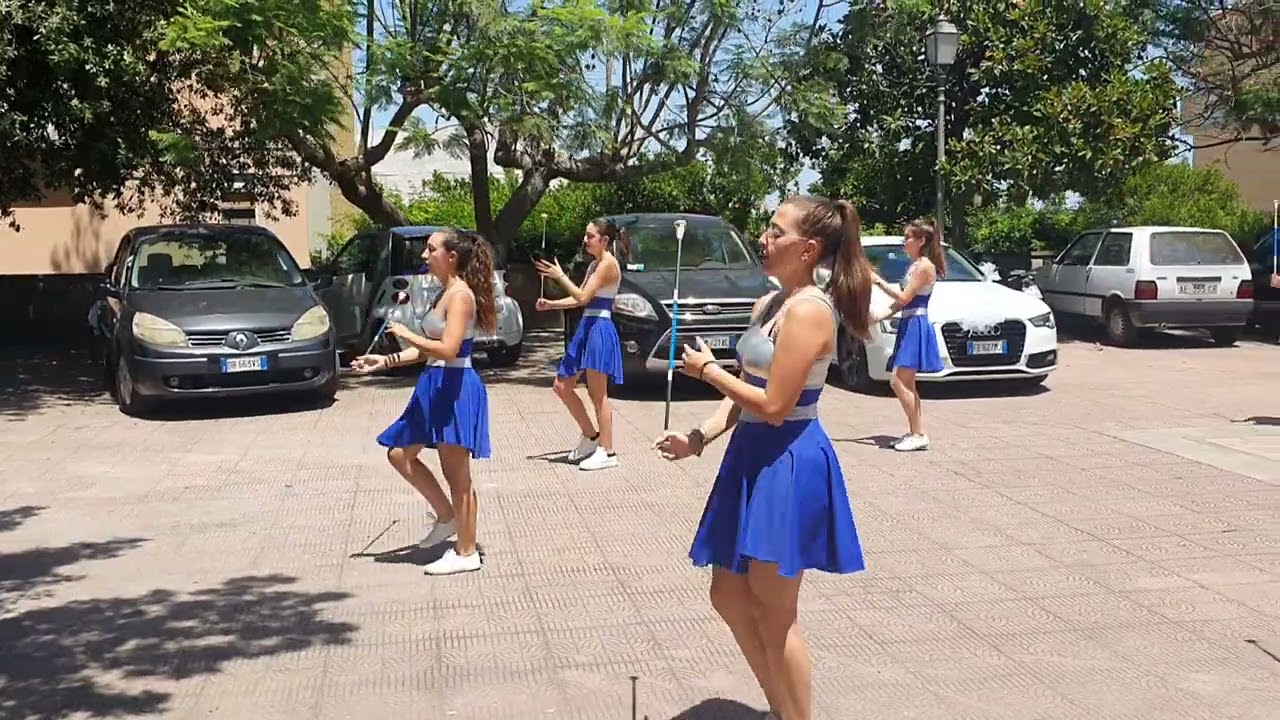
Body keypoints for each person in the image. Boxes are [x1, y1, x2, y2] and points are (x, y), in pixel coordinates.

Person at [652, 196, 870, 720]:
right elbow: (747, 389)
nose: (764, 240)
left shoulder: (812, 312)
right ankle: (781, 705)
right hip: (750, 456)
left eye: (777, 233)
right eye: (767, 230)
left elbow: (775, 405)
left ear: (808, 249)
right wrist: (700, 436)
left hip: (787, 460)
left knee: (777, 615)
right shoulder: (770, 304)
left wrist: (707, 370)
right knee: (727, 594)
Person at [351, 228, 496, 576]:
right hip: (434, 382)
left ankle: (466, 552)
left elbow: (448, 348)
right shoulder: (445, 292)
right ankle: (447, 518)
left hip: (455, 385)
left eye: (430, 249)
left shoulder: (460, 296)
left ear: (451, 257)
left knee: (457, 475)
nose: (423, 256)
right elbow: (428, 350)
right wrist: (384, 362)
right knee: (400, 453)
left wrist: (405, 333)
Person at [534, 218, 625, 472]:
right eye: (586, 236)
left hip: (599, 328)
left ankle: (608, 451)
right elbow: (579, 299)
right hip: (586, 326)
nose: (585, 240)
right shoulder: (595, 265)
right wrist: (551, 304)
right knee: (562, 386)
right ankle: (591, 437)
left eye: (590, 236)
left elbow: (583, 297)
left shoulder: (608, 265)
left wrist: (560, 275)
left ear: (605, 240)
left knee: (598, 395)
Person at [871, 219, 945, 452]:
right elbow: (904, 303)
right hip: (909, 322)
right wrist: (880, 315)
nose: (904, 242)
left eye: (908, 238)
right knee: (907, 382)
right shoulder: (915, 265)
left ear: (921, 241)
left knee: (898, 381)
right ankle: (916, 431)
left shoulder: (924, 267)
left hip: (915, 324)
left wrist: (878, 281)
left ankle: (919, 433)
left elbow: (904, 298)